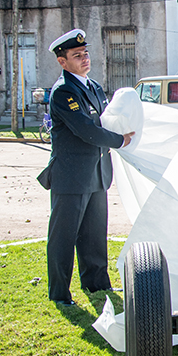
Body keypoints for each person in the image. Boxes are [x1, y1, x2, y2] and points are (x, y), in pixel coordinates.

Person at [38, 29, 135, 307]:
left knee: (94, 234)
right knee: (64, 236)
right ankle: (59, 292)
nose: (84, 59)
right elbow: (85, 129)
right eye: (76, 55)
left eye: (85, 54)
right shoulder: (63, 92)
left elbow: (105, 120)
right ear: (62, 62)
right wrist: (120, 140)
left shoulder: (92, 86)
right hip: (71, 175)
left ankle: (96, 283)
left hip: (96, 172)